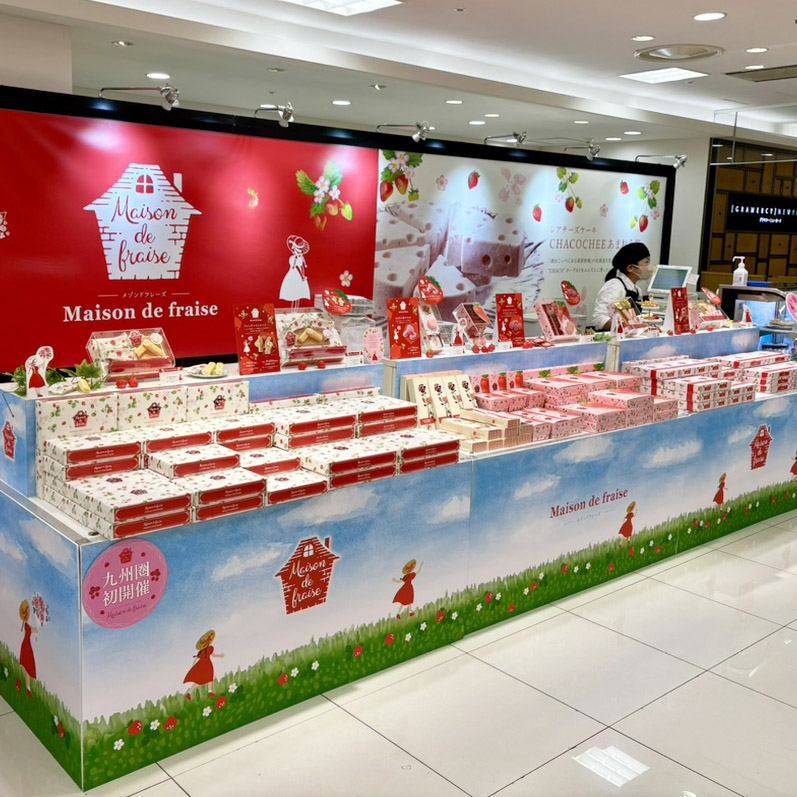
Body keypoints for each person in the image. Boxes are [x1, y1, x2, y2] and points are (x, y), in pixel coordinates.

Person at [591, 242, 654, 331]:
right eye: (646, 262)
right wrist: (625, 327)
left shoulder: (637, 289)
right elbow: (599, 319)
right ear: (630, 268)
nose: (650, 266)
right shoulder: (615, 286)